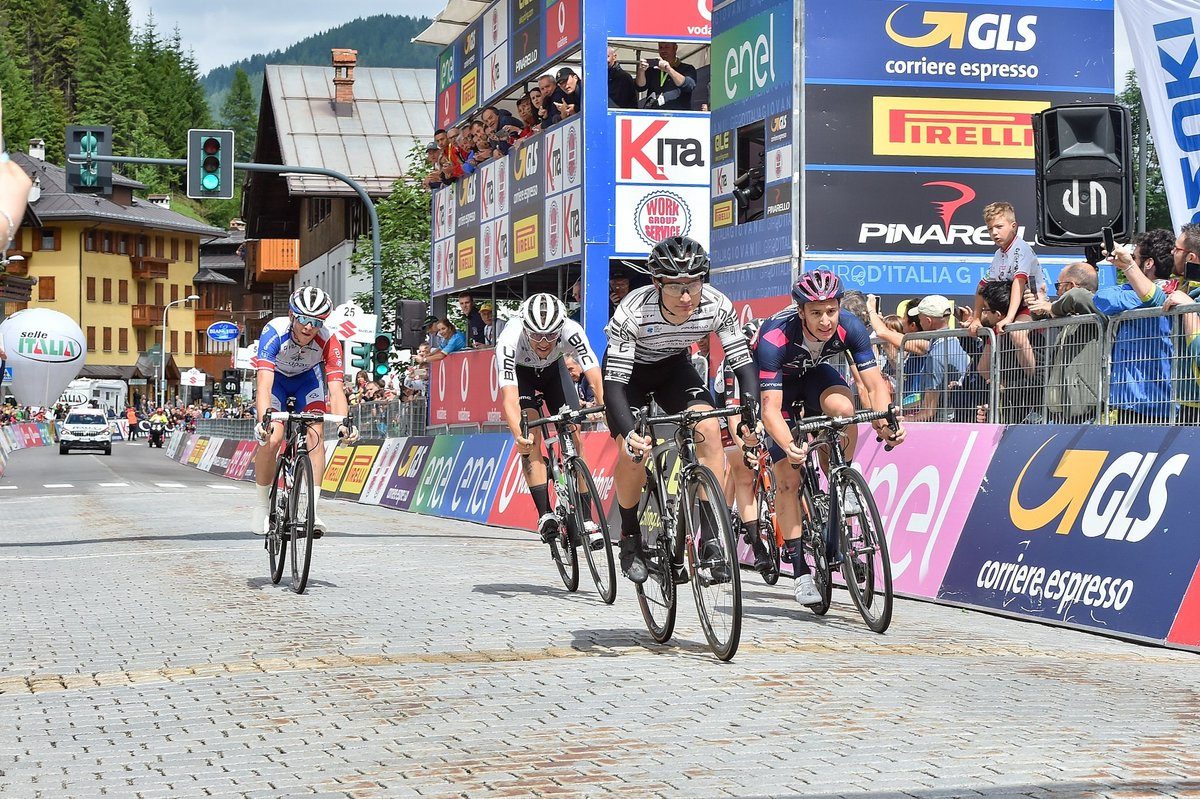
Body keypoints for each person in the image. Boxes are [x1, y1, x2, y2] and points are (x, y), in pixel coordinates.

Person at [603, 236, 760, 585]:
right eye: (676, 287)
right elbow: (613, 385)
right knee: (634, 454)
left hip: (674, 368)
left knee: (707, 427)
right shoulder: (632, 311)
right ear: (658, 283)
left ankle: (710, 541)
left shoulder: (717, 305)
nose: (687, 297)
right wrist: (630, 432)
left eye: (693, 284)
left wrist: (751, 411)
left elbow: (743, 364)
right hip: (630, 377)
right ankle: (629, 536)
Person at [754, 270, 905, 605]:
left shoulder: (850, 325)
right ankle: (800, 571)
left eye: (831, 311)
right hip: (777, 388)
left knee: (842, 407)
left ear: (839, 306)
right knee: (788, 481)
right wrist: (790, 446)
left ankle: (840, 476)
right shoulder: (775, 336)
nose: (825, 321)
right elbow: (770, 411)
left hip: (814, 375)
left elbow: (875, 384)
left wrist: (886, 421)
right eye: (816, 313)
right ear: (801, 311)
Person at [496, 294, 605, 546]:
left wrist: (604, 405)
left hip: (554, 373)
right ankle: (545, 514)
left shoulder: (571, 329)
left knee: (575, 436)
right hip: (522, 376)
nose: (544, 342)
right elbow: (509, 397)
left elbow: (592, 371)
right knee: (530, 436)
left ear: (561, 328)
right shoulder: (508, 338)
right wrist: (518, 435)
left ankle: (587, 518)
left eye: (551, 335)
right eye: (536, 336)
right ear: (524, 328)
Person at [250, 287, 356, 537]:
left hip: (307, 382)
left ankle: (312, 510)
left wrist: (343, 423)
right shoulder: (273, 332)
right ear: (291, 315)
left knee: (315, 434)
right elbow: (264, 383)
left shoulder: (329, 340)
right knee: (273, 437)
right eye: (304, 320)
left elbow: (336, 389)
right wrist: (263, 420)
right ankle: (262, 508)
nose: (309, 327)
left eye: (317, 322)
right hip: (277, 381)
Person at [1094, 229, 1179, 422]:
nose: (1129, 260)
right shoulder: (1172, 294)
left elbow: (1103, 299)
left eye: (1134, 257)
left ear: (1148, 263)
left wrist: (1125, 269)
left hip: (1144, 402)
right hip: (1144, 400)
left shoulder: (1165, 295)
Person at [968, 201, 1046, 335]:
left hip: (1032, 306)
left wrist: (1009, 318)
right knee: (989, 349)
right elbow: (982, 285)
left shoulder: (1021, 249)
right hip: (1007, 309)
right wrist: (976, 318)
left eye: (999, 227)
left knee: (1017, 335)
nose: (994, 233)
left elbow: (1019, 282)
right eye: (989, 229)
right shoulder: (999, 254)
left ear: (1013, 226)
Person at [905, 295, 971, 423]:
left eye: (920, 318)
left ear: (928, 321)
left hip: (944, 425)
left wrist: (904, 419)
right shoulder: (961, 344)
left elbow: (928, 412)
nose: (919, 321)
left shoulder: (935, 355)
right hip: (963, 419)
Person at [636, 42, 697, 110]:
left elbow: (689, 86)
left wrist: (668, 69)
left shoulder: (687, 68)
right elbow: (640, 87)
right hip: (654, 112)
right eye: (660, 47)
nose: (663, 50)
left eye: (667, 47)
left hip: (677, 115)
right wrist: (641, 71)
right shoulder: (653, 69)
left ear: (675, 48)